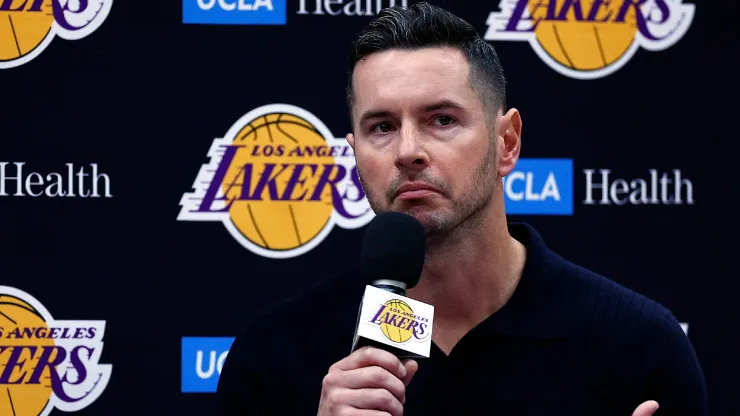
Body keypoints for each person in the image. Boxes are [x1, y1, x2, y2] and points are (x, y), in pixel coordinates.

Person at [216, 3, 708, 415]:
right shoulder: (273, 357)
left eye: (442, 119)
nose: (408, 150)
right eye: (381, 127)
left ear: (507, 142)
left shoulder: (639, 347)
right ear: (355, 153)